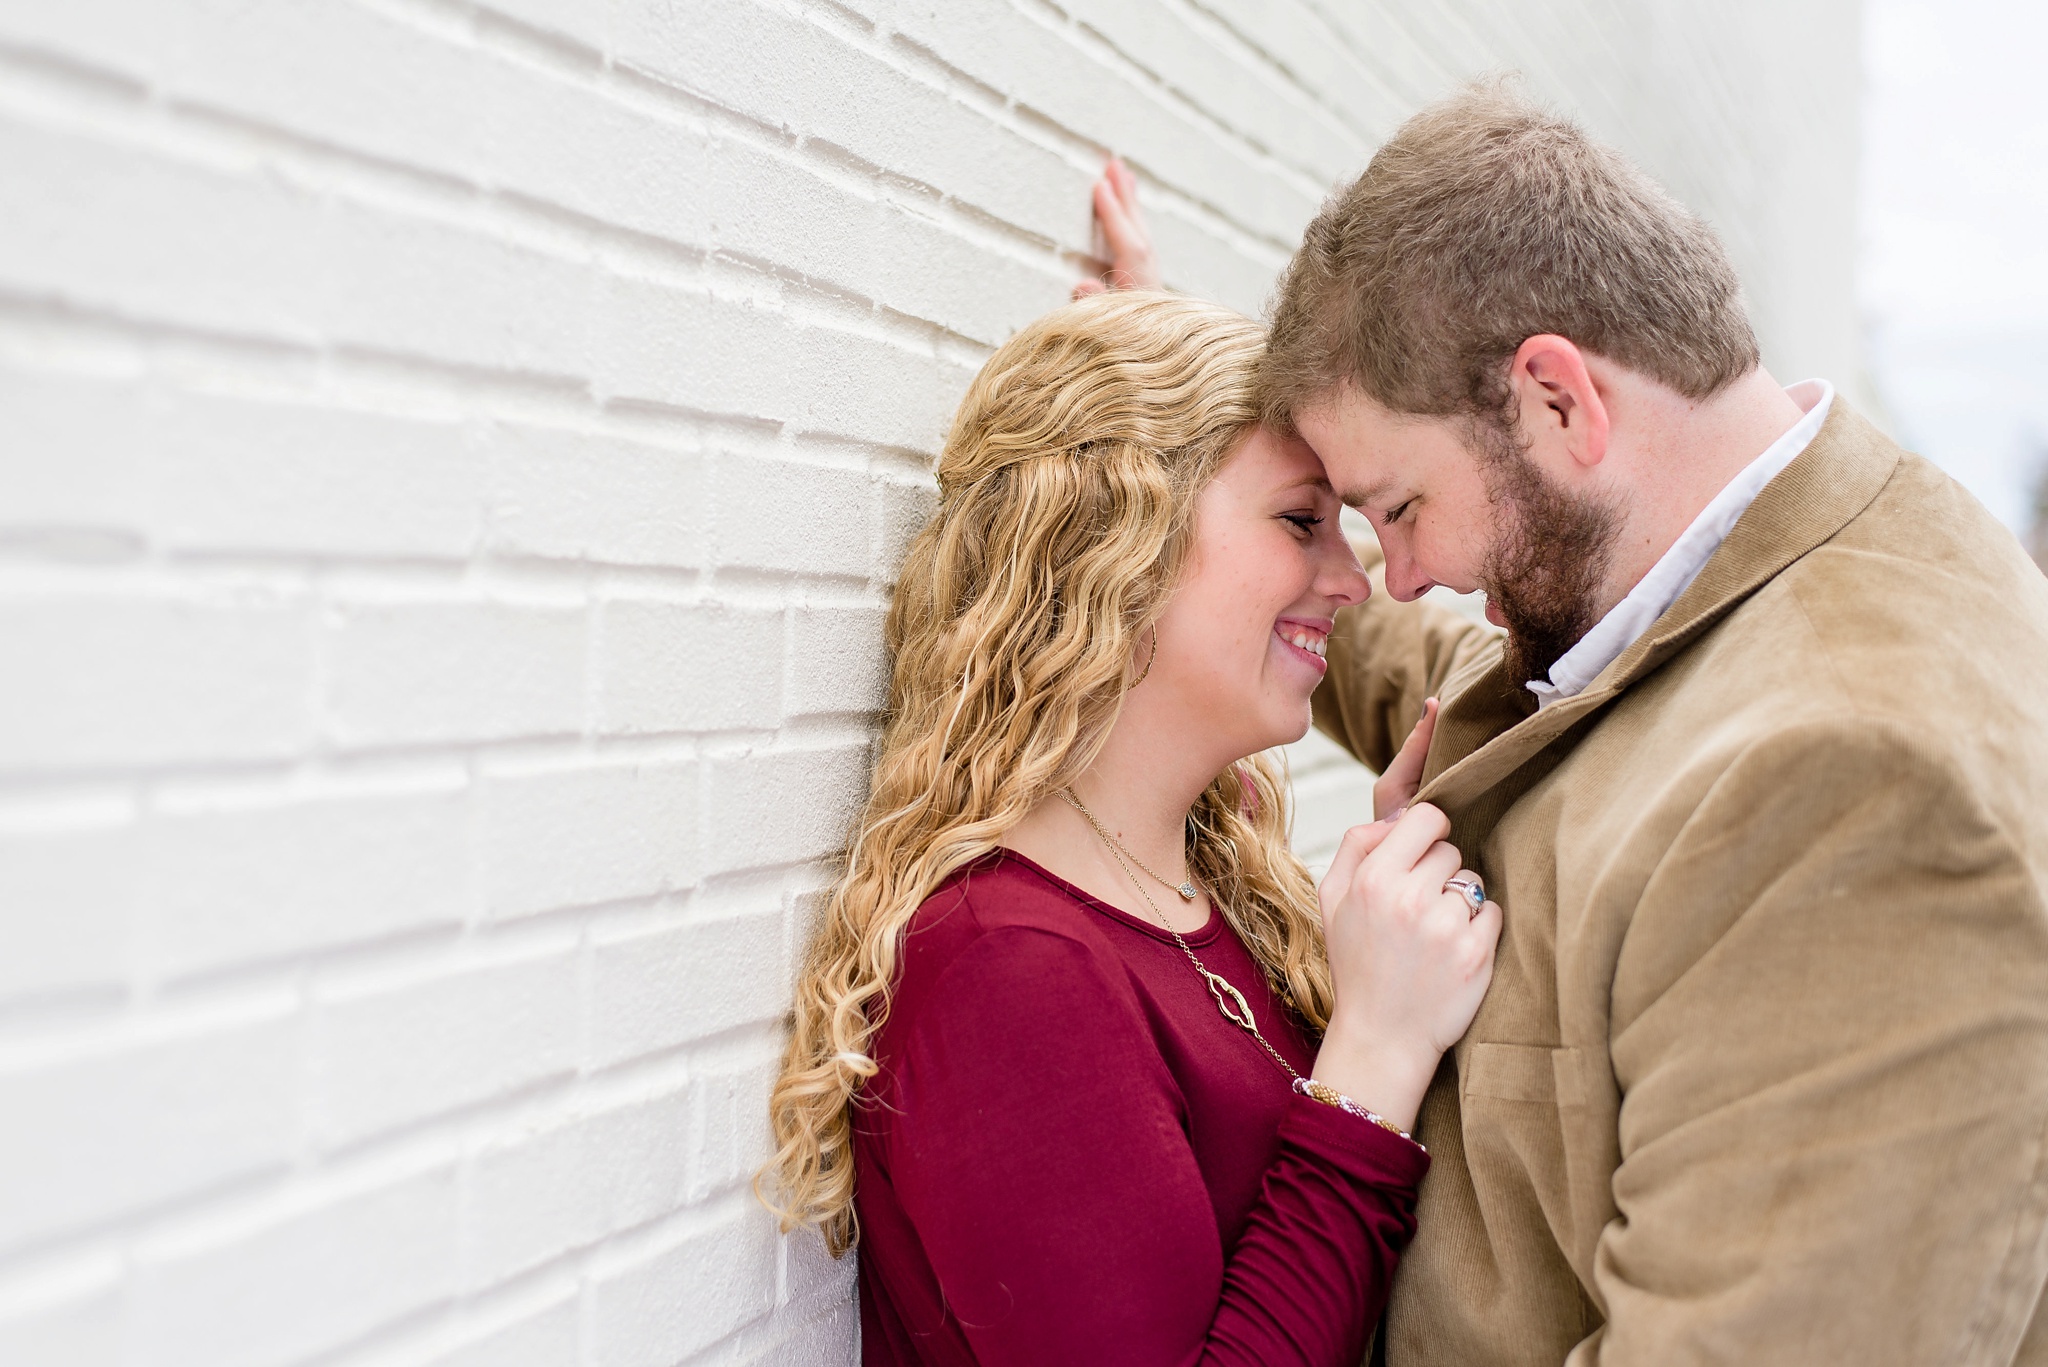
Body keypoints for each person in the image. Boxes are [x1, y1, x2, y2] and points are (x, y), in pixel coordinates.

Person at [1081, 83, 2048, 1364]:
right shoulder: (1745, 573)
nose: (1398, 572)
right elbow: (1482, 684)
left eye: (1398, 507)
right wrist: (1215, 519)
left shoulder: (1860, 787)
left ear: (1554, 399)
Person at [759, 291, 1503, 1365]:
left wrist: (1392, 947)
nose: (1355, 582)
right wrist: (1376, 1048)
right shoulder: (1005, 967)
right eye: (1301, 520)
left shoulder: (1214, 885)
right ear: (1122, 537)